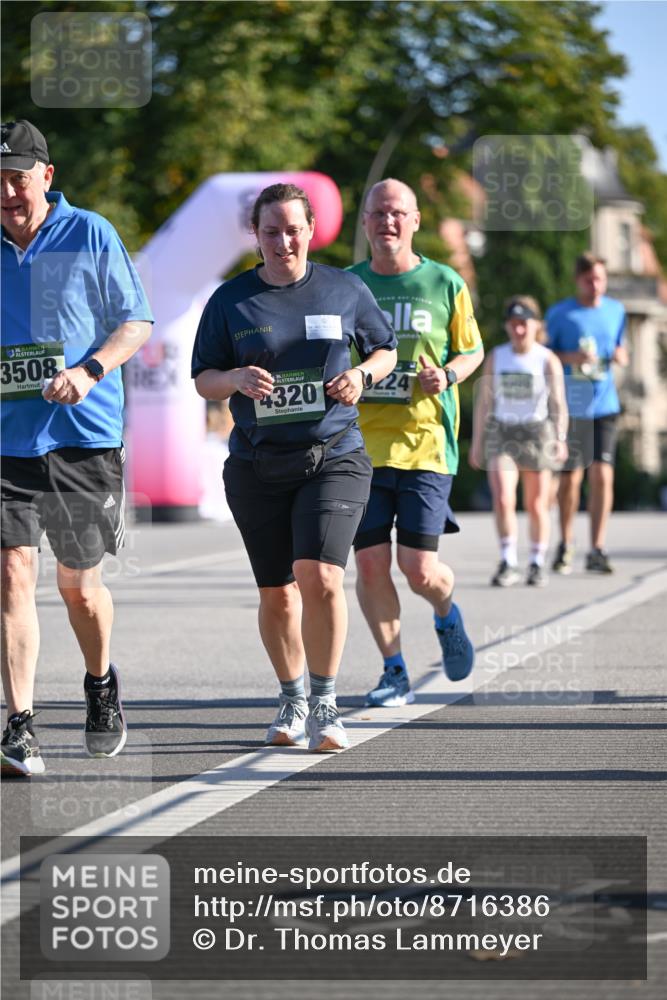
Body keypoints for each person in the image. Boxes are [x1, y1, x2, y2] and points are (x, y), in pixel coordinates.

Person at [191, 183, 397, 752]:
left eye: (293, 230)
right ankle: (292, 697)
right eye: (271, 231)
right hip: (257, 463)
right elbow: (204, 379)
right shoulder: (231, 301)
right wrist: (233, 379)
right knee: (278, 593)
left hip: (334, 454)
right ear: (255, 235)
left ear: (310, 231)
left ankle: (326, 703)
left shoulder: (344, 288)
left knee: (320, 574)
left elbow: (386, 349)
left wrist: (362, 375)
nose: (283, 241)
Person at [1, 120, 153, 776]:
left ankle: (99, 682)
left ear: (46, 175)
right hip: (7, 439)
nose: (8, 192)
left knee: (78, 587)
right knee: (13, 571)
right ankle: (20, 726)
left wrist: (90, 371)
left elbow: (135, 321)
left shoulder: (89, 232)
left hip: (82, 436)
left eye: (17, 178)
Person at [349, 178, 484, 708]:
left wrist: (446, 376)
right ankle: (394, 670)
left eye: (397, 213)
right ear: (365, 221)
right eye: (378, 213)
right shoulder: (348, 285)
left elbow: (472, 351)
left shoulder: (444, 282)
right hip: (359, 447)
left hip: (426, 443)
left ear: (415, 221)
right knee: (369, 565)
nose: (388, 222)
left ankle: (447, 614)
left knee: (419, 570)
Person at [469, 297, 568, 587]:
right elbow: (484, 402)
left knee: (536, 504)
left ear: (536, 326)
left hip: (537, 432)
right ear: (507, 327)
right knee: (503, 497)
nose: (519, 330)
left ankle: (536, 561)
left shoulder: (547, 359)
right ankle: (508, 560)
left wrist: (561, 438)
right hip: (503, 432)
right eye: (514, 324)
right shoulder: (497, 357)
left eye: (524, 324)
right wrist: (477, 442)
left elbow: (558, 403)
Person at [546, 253, 628, 574]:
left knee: (603, 475)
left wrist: (620, 355)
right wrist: (572, 358)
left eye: (601, 279)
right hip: (573, 405)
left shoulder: (616, 310)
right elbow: (545, 356)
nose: (596, 285)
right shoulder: (560, 314)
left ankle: (597, 548)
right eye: (590, 280)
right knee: (571, 480)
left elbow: (620, 346)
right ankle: (566, 542)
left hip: (606, 404)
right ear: (577, 280)